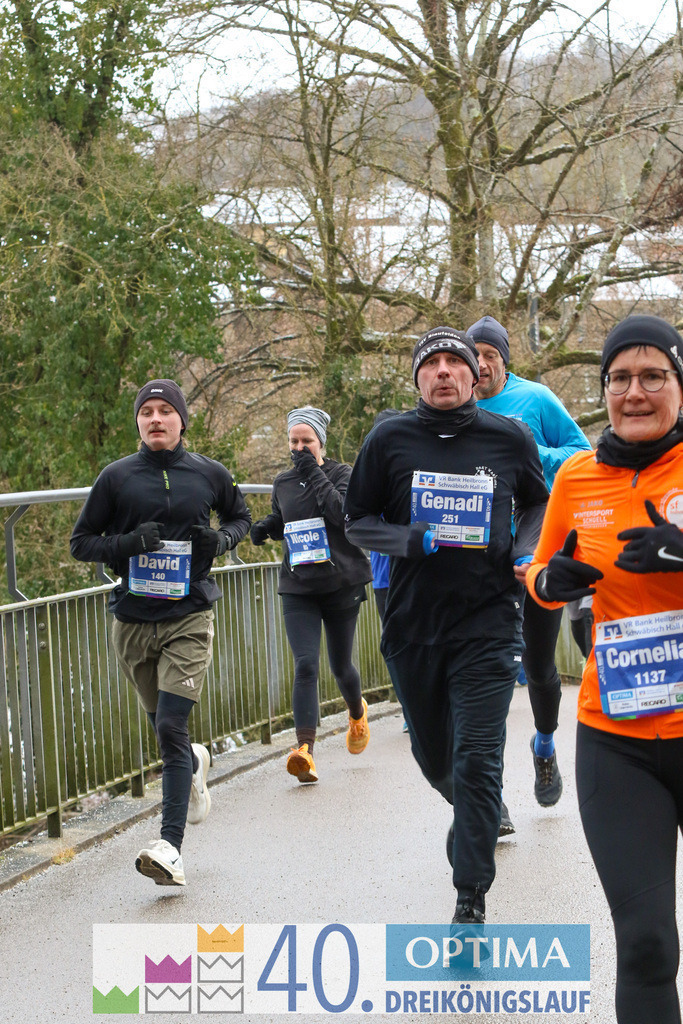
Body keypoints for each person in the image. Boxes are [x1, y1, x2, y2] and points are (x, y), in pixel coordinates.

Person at [343, 327, 549, 925]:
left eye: (454, 363)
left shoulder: (509, 438)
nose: (443, 373)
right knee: (439, 764)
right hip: (412, 626)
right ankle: (476, 811)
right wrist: (410, 540)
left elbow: (537, 502)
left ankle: (470, 894)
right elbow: (358, 520)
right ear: (416, 378)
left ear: (475, 376)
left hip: (488, 623)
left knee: (478, 762)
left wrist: (523, 551)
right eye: (430, 364)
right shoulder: (389, 439)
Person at [527, 315, 683, 1024]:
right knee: (646, 944)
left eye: (653, 375)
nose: (634, 391)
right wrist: (549, 582)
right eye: (618, 378)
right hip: (616, 738)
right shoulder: (576, 476)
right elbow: (535, 568)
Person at [70, 379, 251, 887]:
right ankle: (193, 760)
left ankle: (169, 847)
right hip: (131, 622)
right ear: (138, 422)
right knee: (167, 732)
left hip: (190, 614)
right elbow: (81, 543)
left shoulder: (208, 473)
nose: (155, 419)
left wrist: (220, 540)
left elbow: (241, 517)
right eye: (146, 412)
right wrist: (127, 544)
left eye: (164, 411)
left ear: (181, 421)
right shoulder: (116, 477)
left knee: (171, 727)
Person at [467, 314, 592, 816]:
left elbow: (582, 455)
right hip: (482, 557)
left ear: (503, 360)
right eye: (471, 355)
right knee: (487, 670)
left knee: (538, 666)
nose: (478, 365)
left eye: (489, 356)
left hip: (538, 545)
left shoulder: (536, 399)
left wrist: (528, 448)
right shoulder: (455, 407)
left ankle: (544, 745)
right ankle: (488, 798)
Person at [249, 406, 373, 783]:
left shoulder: (343, 474)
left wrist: (313, 472)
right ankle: (304, 751)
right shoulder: (283, 481)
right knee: (306, 664)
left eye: (307, 441)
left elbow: (340, 515)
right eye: (294, 441)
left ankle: (356, 712)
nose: (299, 448)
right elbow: (285, 518)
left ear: (321, 442)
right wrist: (265, 527)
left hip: (340, 584)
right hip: (298, 585)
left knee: (340, 667)